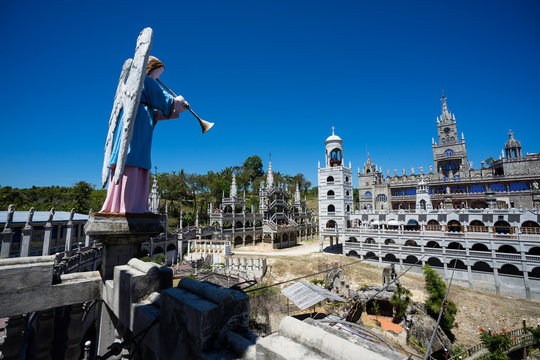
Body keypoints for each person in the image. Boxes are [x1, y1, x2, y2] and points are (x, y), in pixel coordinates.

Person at [101, 56, 189, 213]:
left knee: (127, 156)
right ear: (151, 69)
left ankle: (116, 205)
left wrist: (175, 110)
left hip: (133, 120)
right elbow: (162, 99)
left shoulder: (132, 83)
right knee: (134, 157)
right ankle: (131, 206)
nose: (159, 77)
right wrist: (178, 102)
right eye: (158, 72)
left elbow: (156, 112)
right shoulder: (146, 80)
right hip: (139, 124)